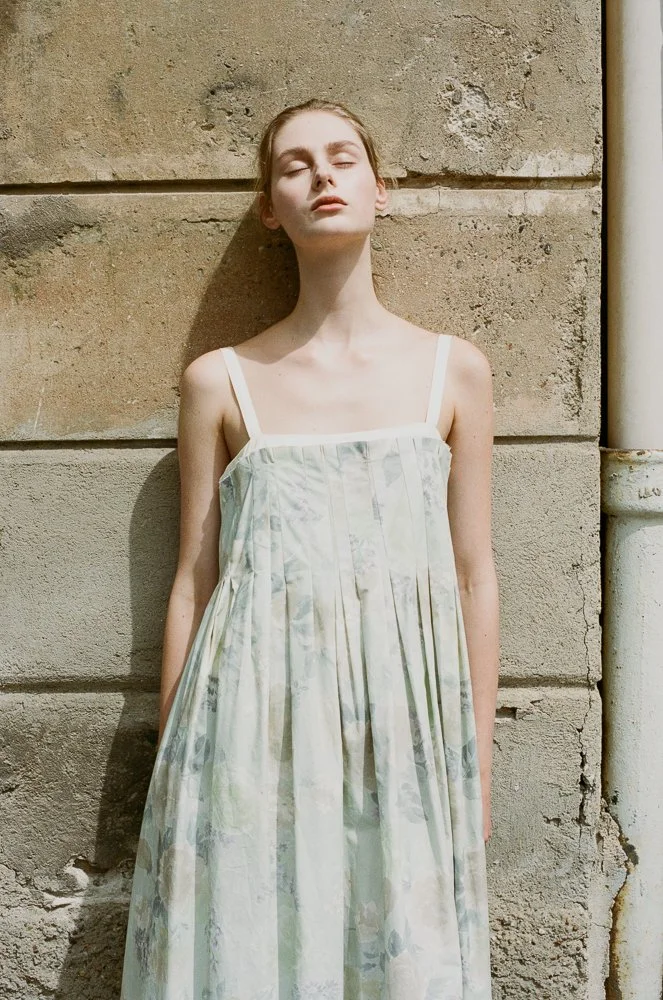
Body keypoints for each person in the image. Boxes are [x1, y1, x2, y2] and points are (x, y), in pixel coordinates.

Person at [121, 97, 499, 1000]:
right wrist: (177, 765)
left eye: (342, 158)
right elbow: (193, 582)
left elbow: (472, 571)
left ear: (380, 187)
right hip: (247, 726)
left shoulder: (456, 370)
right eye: (294, 165)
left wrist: (475, 757)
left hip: (403, 728)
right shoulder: (219, 381)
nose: (322, 175)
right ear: (268, 207)